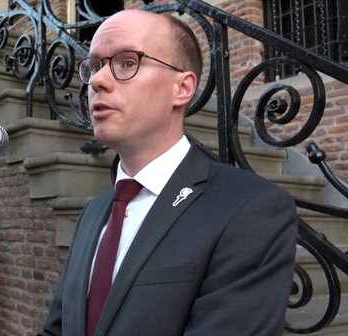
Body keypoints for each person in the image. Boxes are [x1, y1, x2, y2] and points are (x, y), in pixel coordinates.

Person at [38, 9, 298, 336]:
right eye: (94, 66)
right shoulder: (94, 212)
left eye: (127, 63)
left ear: (182, 88)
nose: (98, 81)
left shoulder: (249, 210)